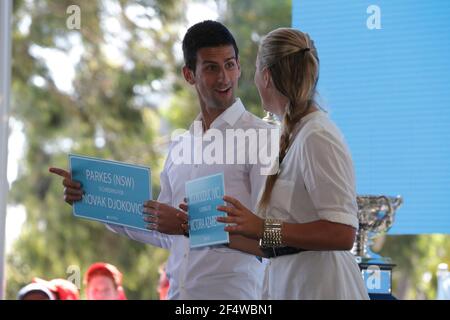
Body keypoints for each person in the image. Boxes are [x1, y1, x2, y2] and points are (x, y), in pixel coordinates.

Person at [49, 20, 274, 299]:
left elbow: (275, 241)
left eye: (229, 64)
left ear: (240, 67)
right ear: (189, 74)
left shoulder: (261, 138)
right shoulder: (181, 144)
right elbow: (166, 230)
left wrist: (188, 225)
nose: (224, 78)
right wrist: (91, 197)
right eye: (211, 67)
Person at [216, 28, 370, 299]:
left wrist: (261, 226)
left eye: (254, 70)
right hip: (292, 284)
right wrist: (213, 232)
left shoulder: (317, 135)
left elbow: (343, 232)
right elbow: (286, 240)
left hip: (321, 288)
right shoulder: (296, 135)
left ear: (266, 76)